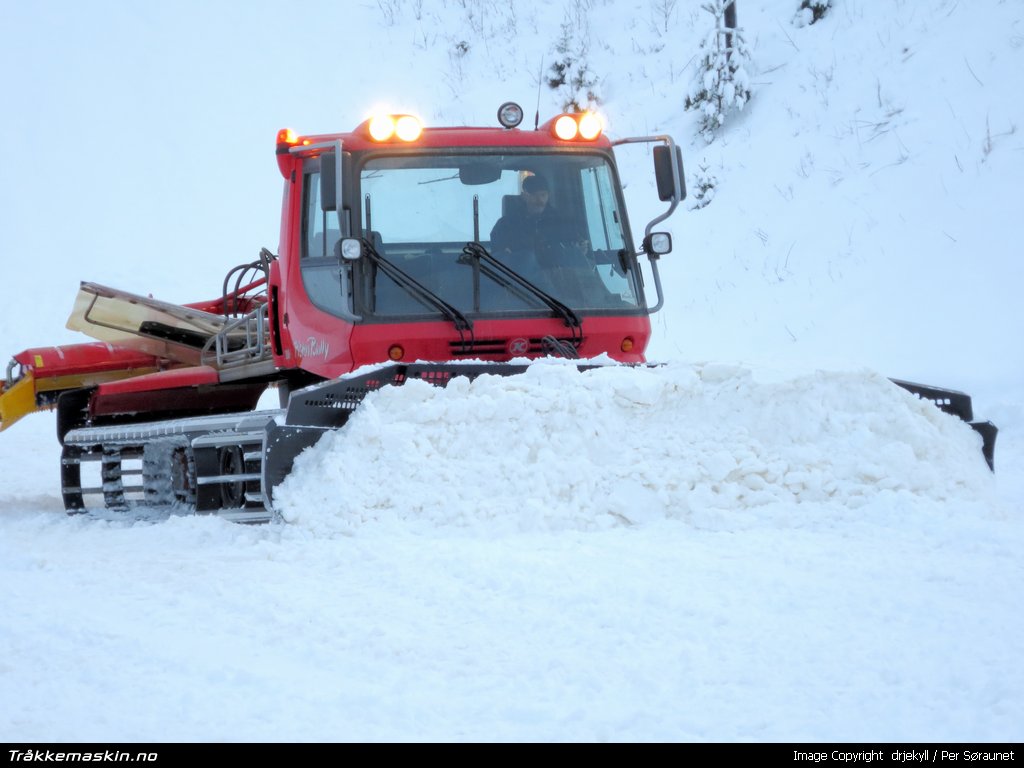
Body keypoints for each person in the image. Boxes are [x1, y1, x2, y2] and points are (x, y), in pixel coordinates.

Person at [489, 174, 588, 261]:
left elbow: (575, 249)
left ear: (548, 195)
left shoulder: (562, 222)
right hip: (520, 279)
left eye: (543, 195)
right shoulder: (506, 225)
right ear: (524, 196)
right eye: (534, 195)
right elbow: (499, 257)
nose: (539, 200)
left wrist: (581, 249)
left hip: (558, 277)